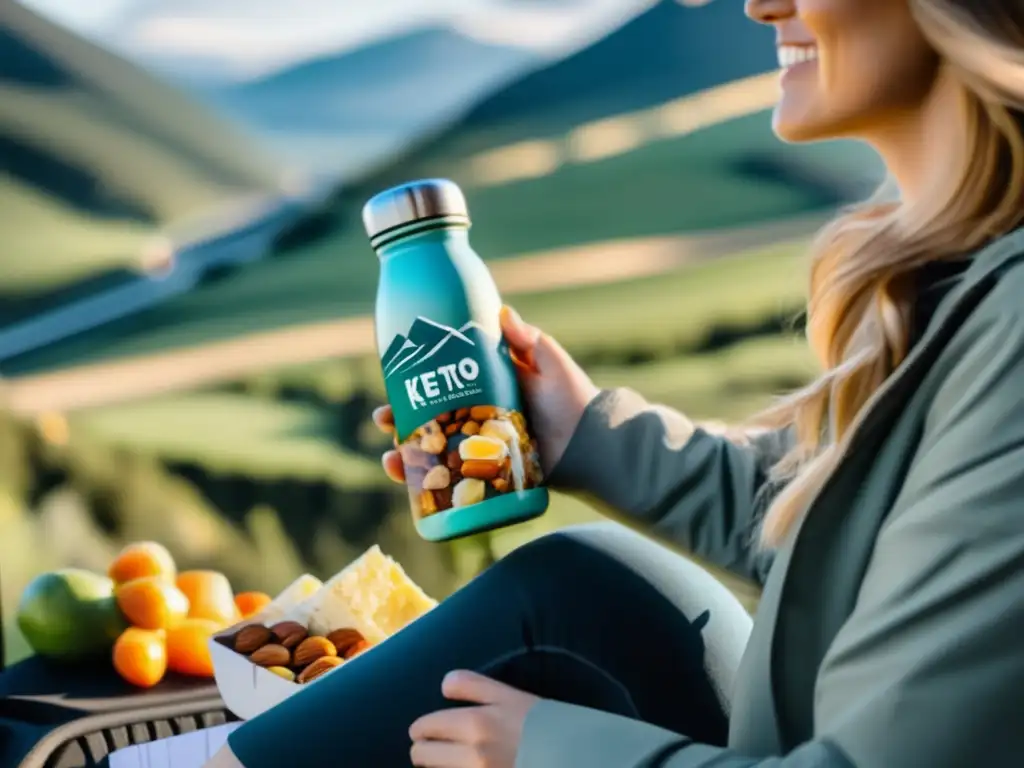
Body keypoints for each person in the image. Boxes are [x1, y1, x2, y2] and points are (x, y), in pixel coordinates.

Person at [207, 0, 1024, 765]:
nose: (758, 5)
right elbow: (832, 531)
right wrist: (587, 431)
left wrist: (550, 750)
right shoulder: (967, 272)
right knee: (580, 581)